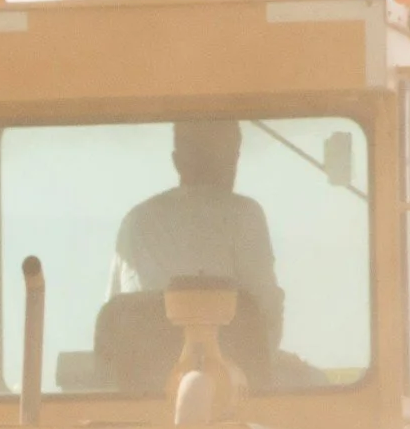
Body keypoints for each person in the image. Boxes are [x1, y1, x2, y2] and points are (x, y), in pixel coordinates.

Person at [110, 117, 285, 350]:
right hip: (233, 377)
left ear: (177, 162)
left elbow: (113, 320)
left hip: (141, 379)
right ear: (235, 157)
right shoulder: (245, 215)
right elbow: (267, 317)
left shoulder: (136, 220)